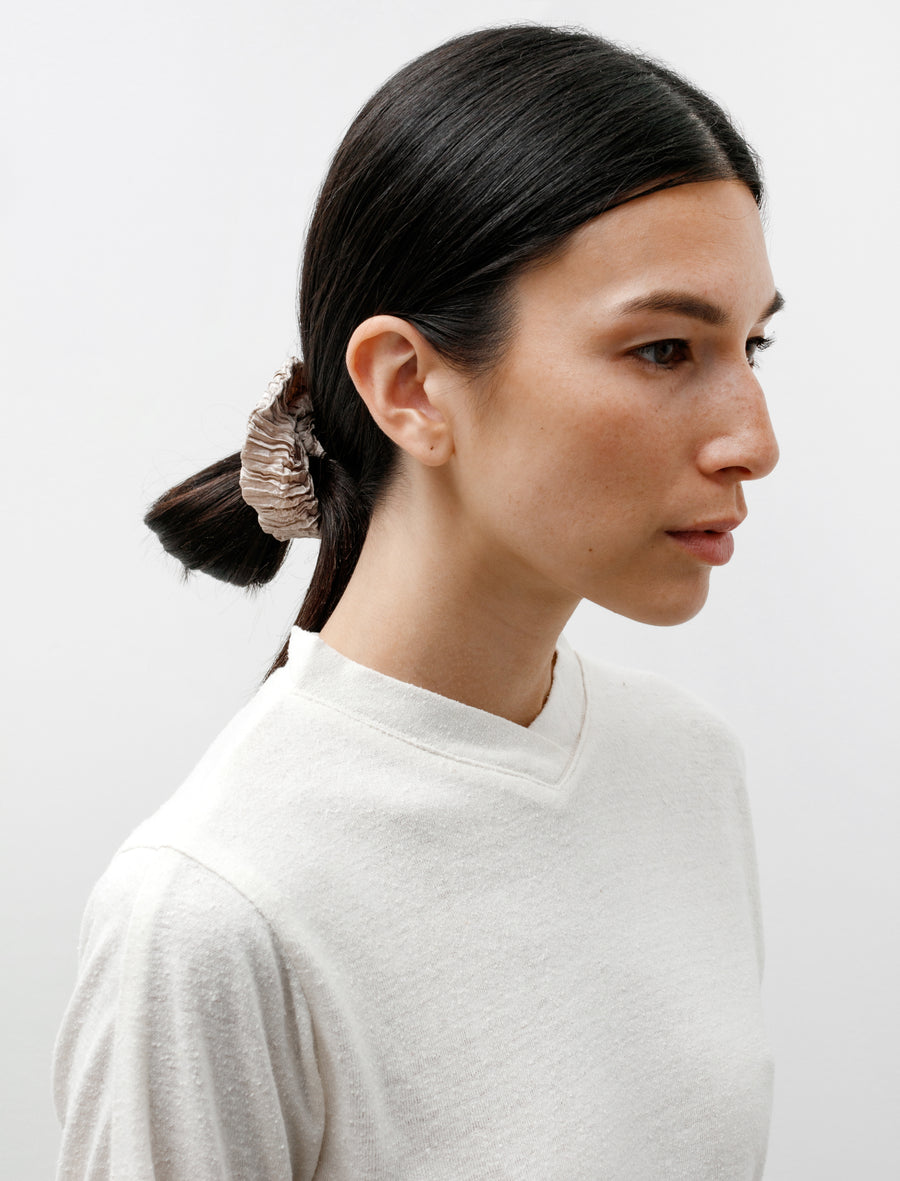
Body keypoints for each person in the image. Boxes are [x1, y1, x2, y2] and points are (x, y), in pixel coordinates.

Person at [53, 23, 783, 1180]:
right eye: (662, 349)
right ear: (411, 386)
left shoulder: (687, 766)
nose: (754, 439)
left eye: (752, 344)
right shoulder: (217, 909)